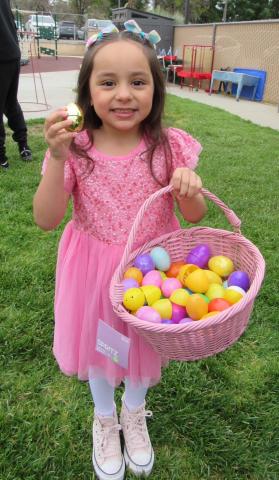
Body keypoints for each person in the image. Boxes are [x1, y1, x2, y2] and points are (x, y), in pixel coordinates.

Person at [33, 20, 207, 480]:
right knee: (102, 351)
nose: (124, 94)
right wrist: (55, 157)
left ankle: (134, 409)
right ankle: (105, 417)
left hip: (152, 273)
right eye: (108, 82)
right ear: (87, 93)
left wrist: (188, 187)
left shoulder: (167, 147)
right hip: (93, 273)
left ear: (156, 90)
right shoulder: (78, 148)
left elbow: (193, 215)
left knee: (142, 348)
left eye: (138, 81)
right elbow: (47, 218)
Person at [0, 0, 32, 169]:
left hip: (5, 54)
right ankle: (23, 145)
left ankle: (2, 155)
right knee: (10, 103)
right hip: (12, 52)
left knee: (8, 103)